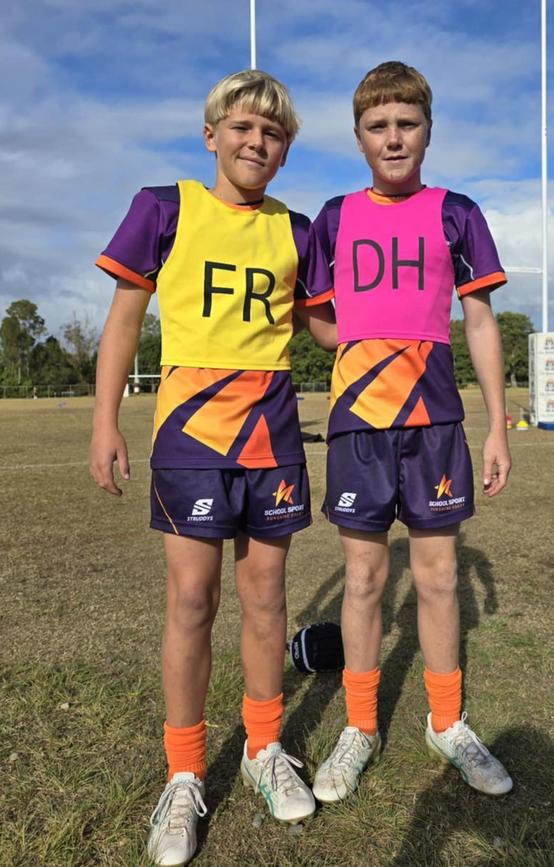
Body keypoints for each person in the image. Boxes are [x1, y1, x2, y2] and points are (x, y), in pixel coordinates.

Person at [89, 70, 335, 866]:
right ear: (211, 135)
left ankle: (264, 746)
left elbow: (330, 328)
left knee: (266, 596)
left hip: (273, 436)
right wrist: (105, 422)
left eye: (273, 134)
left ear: (287, 149)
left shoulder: (296, 231)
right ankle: (187, 772)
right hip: (192, 438)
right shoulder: (163, 207)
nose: (256, 142)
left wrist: (411, 280)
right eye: (242, 128)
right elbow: (125, 319)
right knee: (192, 601)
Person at [310, 61, 513, 804]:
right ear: (359, 135)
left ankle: (447, 722)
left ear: (428, 128)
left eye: (407, 124)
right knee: (365, 578)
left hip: (437, 425)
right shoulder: (334, 216)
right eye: (378, 126)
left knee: (435, 576)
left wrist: (497, 426)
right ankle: (360, 726)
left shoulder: (456, 211)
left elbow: (480, 322)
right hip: (359, 426)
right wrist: (369, 345)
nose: (393, 138)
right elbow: (320, 320)